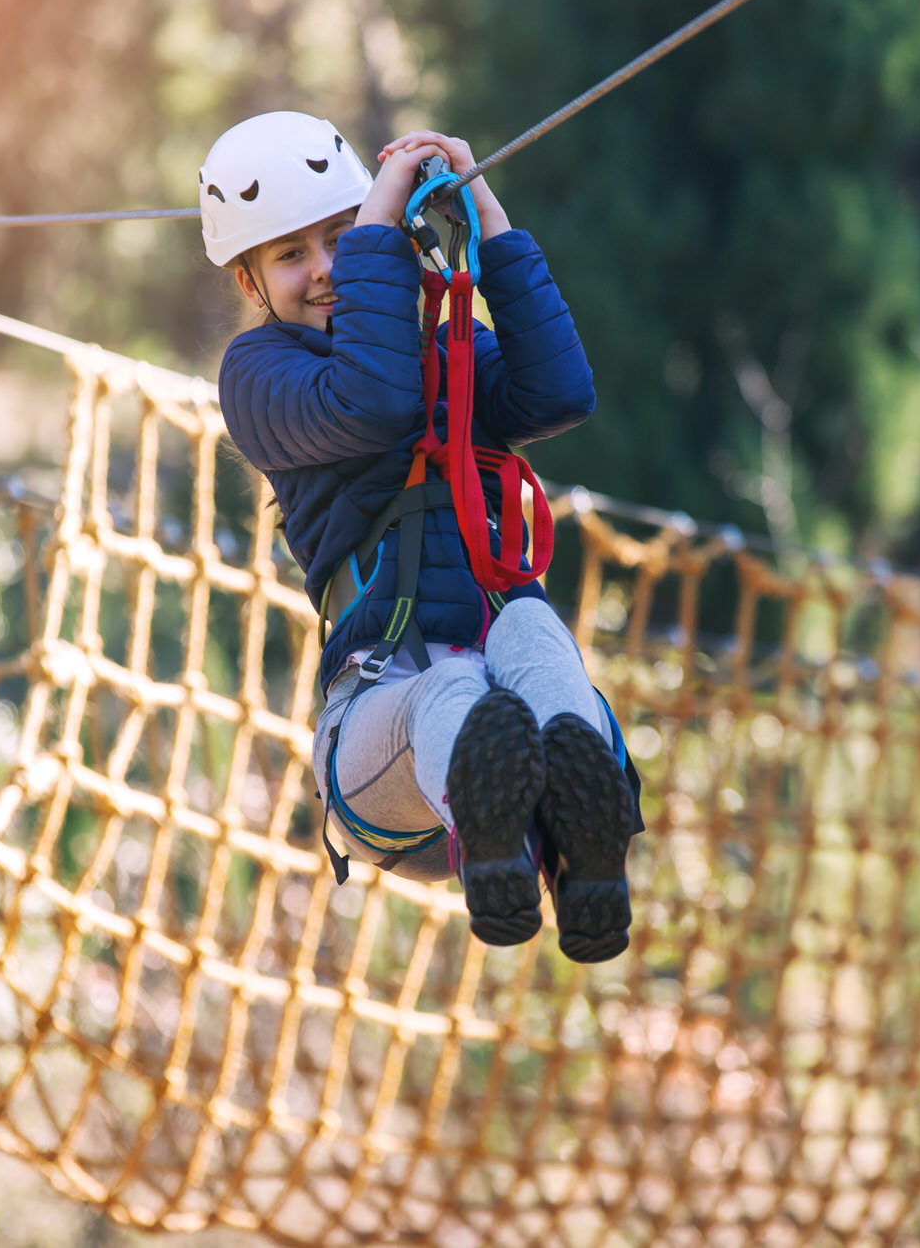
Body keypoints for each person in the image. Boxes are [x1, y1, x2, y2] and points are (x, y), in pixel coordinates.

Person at [203, 111, 640, 963]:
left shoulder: (443, 351)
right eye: (293, 254)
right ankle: (494, 825)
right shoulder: (258, 379)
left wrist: (485, 212)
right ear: (251, 284)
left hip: (509, 676)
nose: (327, 268)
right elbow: (371, 400)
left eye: (340, 237)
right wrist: (377, 231)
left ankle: (586, 851)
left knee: (532, 626)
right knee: (453, 697)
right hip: (387, 720)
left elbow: (558, 393)